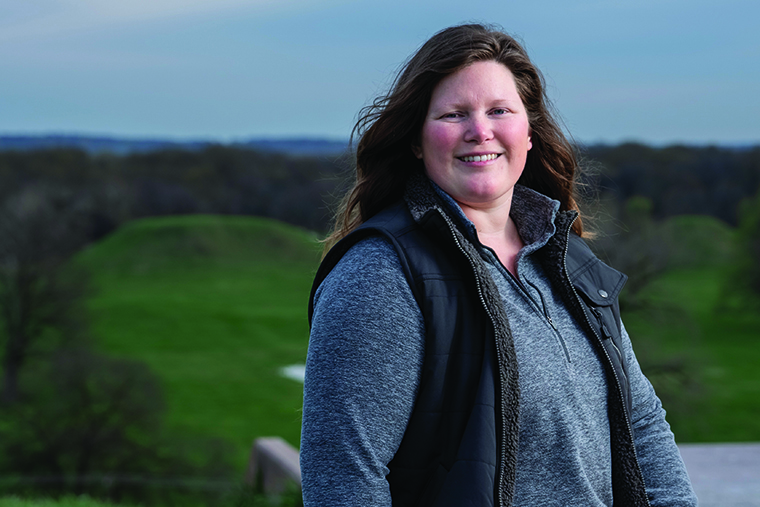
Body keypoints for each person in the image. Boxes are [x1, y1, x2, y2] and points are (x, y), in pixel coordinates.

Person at [300, 23, 697, 507]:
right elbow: (343, 475)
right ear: (416, 140)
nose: (479, 131)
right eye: (453, 114)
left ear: (528, 132)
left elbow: (641, 423)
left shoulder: (565, 256)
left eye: (499, 111)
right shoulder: (381, 272)